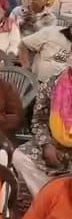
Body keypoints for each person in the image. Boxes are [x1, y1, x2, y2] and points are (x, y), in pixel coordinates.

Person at [12, 60, 72, 195]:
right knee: (20, 156)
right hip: (55, 143)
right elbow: (39, 120)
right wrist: (46, 144)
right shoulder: (51, 84)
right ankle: (47, 199)